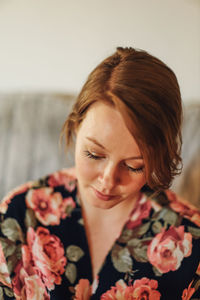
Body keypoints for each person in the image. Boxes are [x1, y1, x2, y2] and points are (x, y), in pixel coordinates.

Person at [0, 47, 199, 300]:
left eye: (134, 166)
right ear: (75, 127)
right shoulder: (17, 217)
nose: (108, 180)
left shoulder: (190, 243)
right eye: (94, 154)